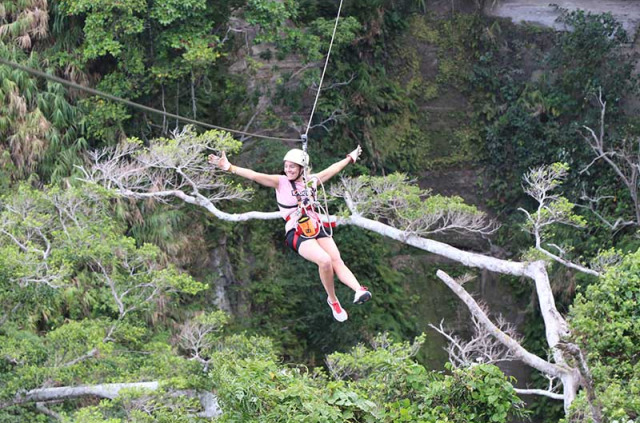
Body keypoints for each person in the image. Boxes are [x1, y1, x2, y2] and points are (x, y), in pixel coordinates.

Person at [208, 146, 371, 322]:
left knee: (336, 260)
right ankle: (333, 301)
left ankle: (359, 290)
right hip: (296, 231)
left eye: (292, 167)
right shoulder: (280, 182)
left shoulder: (311, 181)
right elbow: (255, 175)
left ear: (302, 168)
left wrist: (350, 157)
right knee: (324, 261)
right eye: (286, 166)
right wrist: (230, 167)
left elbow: (334, 168)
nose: (288, 170)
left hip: (315, 225)